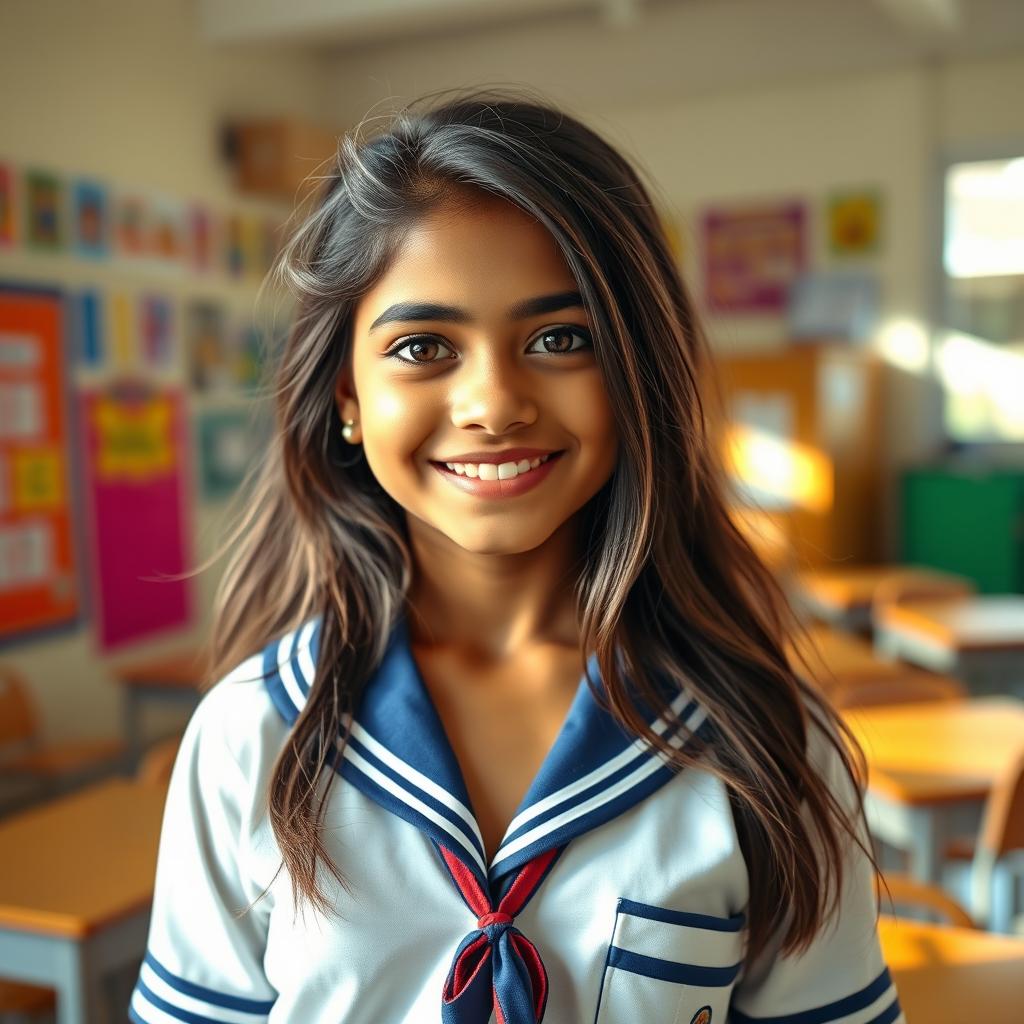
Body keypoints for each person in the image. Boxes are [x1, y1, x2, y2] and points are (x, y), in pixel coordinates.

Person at [128, 87, 905, 1024]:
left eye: (560, 338)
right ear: (346, 395)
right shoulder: (248, 738)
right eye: (423, 346)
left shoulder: (770, 746)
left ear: (635, 374)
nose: (494, 402)